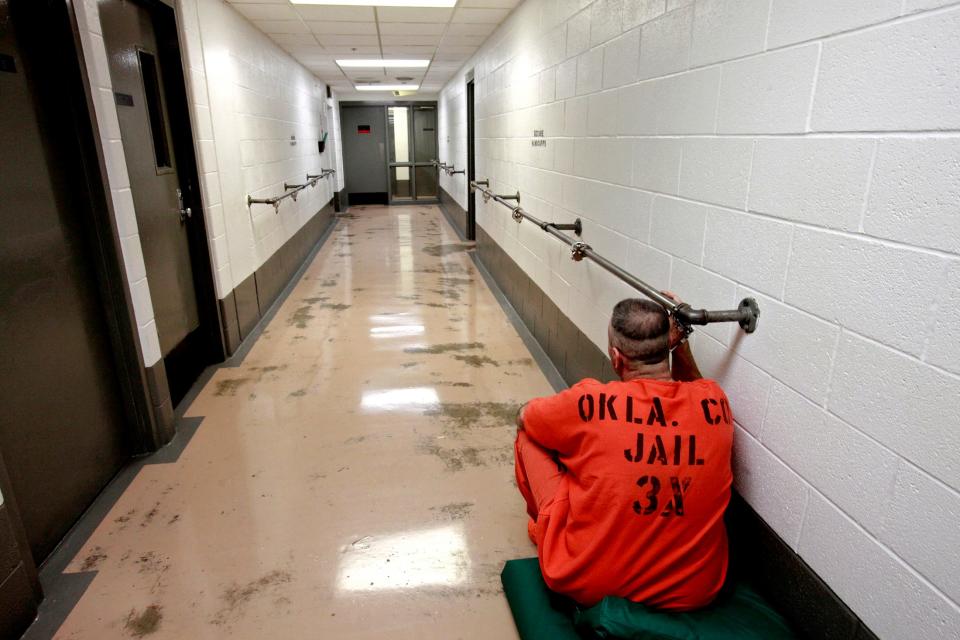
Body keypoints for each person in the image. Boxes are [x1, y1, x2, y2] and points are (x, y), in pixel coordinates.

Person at [514, 294, 733, 611]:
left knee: (529, 436)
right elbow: (696, 388)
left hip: (589, 582)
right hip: (694, 589)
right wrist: (680, 343)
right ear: (668, 347)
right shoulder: (714, 400)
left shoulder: (587, 401)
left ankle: (546, 528)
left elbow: (526, 417)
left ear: (616, 358)